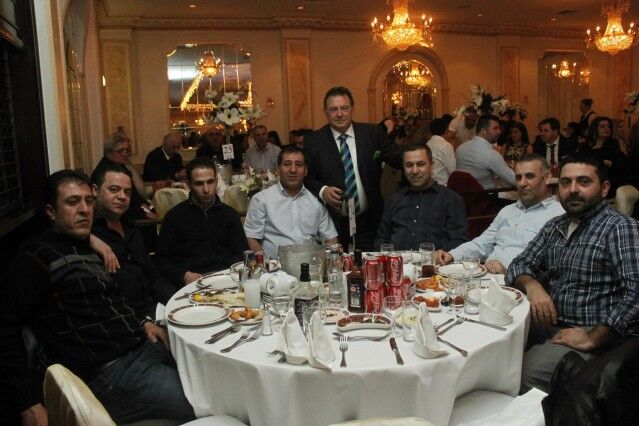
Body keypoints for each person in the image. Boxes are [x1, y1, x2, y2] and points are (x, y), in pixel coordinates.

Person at [2, 170, 194, 424]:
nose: (84, 209)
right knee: (205, 398)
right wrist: (27, 402)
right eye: (72, 202)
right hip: (111, 373)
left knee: (212, 369)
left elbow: (111, 300)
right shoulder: (34, 257)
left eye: (88, 201)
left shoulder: (88, 248)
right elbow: (6, 328)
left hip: (142, 346)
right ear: (51, 212)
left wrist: (143, 322)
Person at [506, 153, 639, 394]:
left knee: (520, 375)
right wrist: (533, 286)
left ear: (604, 188)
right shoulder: (555, 226)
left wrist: (593, 338)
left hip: (596, 334)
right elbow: (519, 263)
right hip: (549, 322)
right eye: (566, 182)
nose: (573, 189)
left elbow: (636, 292)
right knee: (496, 347)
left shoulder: (619, 228)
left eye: (583, 181)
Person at [304, 86, 403, 251]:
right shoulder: (314, 141)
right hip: (331, 223)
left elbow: (399, 158)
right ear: (326, 112)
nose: (339, 114)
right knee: (336, 264)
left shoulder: (372, 133)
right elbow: (306, 177)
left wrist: (422, 161)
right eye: (333, 109)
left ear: (352, 109)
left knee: (369, 263)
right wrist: (322, 191)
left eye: (344, 108)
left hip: (369, 220)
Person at [436, 154, 564, 273]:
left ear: (547, 178)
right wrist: (452, 255)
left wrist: (508, 269)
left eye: (530, 176)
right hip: (486, 277)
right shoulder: (508, 210)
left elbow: (553, 265)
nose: (522, 183)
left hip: (520, 282)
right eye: (518, 177)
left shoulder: (558, 215)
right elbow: (483, 242)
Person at [91, 163, 177, 310]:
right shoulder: (86, 231)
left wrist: (176, 302)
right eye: (114, 190)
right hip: (123, 314)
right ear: (95, 190)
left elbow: (152, 276)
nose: (122, 196)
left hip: (152, 306)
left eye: (127, 192)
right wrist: (90, 239)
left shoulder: (129, 226)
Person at [156, 157, 248, 285]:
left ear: (217, 181)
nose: (206, 189)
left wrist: (228, 275)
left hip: (226, 278)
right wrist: (184, 275)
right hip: (189, 282)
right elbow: (162, 261)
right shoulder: (174, 217)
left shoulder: (230, 214)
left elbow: (242, 255)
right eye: (199, 184)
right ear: (188, 184)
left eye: (210, 182)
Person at [243, 145, 339, 258]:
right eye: (287, 164)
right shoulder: (261, 199)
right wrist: (264, 264)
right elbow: (251, 237)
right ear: (278, 170)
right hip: (275, 266)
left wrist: (332, 260)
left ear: (306, 171)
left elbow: (330, 238)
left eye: (299, 165)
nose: (293, 170)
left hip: (311, 264)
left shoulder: (316, 202)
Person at [375, 143, 468, 251]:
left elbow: (459, 241)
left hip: (434, 261)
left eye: (420, 164)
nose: (414, 171)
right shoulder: (394, 200)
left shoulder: (451, 199)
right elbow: (381, 238)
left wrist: (441, 255)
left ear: (432, 165)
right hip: (397, 260)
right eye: (409, 165)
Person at [95, 132, 156, 220]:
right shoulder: (106, 171)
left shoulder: (121, 165)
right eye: (121, 151)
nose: (125, 153)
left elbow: (134, 195)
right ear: (109, 153)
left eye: (127, 150)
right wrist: (144, 212)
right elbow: (115, 204)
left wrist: (146, 206)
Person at [455, 114, 517, 189]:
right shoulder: (491, 154)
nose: (499, 132)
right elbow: (515, 181)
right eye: (495, 128)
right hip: (487, 195)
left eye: (499, 128)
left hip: (463, 194)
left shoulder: (461, 148)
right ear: (483, 131)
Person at [586, 116, 629, 196]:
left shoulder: (615, 143)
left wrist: (609, 163)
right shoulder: (587, 147)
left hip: (612, 182)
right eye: (602, 126)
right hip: (592, 182)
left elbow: (625, 165)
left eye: (608, 126)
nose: (607, 128)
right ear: (595, 129)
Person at [426, 117, 456, 186]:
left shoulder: (427, 144)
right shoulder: (446, 146)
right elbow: (452, 171)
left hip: (429, 184)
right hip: (442, 185)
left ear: (430, 130)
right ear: (446, 130)